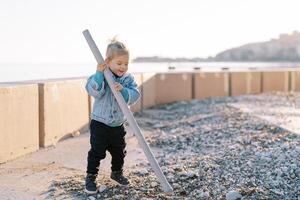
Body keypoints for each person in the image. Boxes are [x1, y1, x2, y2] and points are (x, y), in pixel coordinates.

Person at [84, 38, 141, 194]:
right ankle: (90, 177)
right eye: (119, 63)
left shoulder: (127, 79)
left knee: (119, 151)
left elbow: (135, 95)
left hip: (117, 124)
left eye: (125, 64)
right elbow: (94, 91)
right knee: (97, 152)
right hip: (100, 123)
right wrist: (99, 74)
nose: (123, 67)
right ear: (108, 61)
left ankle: (116, 172)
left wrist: (123, 90)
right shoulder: (101, 75)